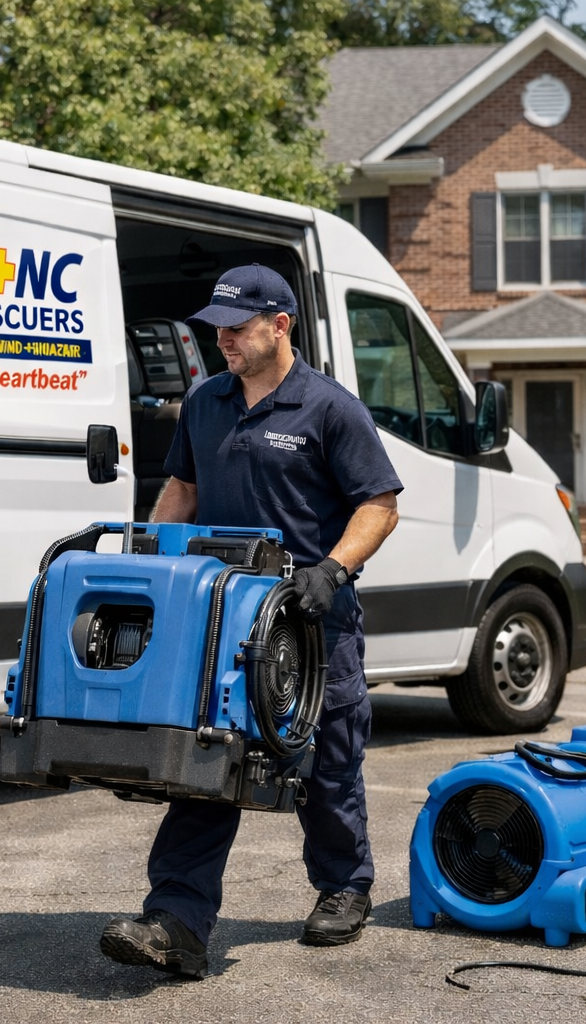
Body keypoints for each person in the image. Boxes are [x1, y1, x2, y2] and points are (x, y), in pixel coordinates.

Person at [99, 265, 402, 978]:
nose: (223, 339)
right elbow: (182, 490)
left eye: (236, 328)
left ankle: (344, 885)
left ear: (280, 326)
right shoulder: (205, 403)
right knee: (208, 763)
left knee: (327, 767)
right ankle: (176, 921)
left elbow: (380, 504)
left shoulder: (329, 408)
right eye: (217, 329)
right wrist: (144, 571)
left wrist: (333, 570)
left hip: (309, 622)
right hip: (222, 619)